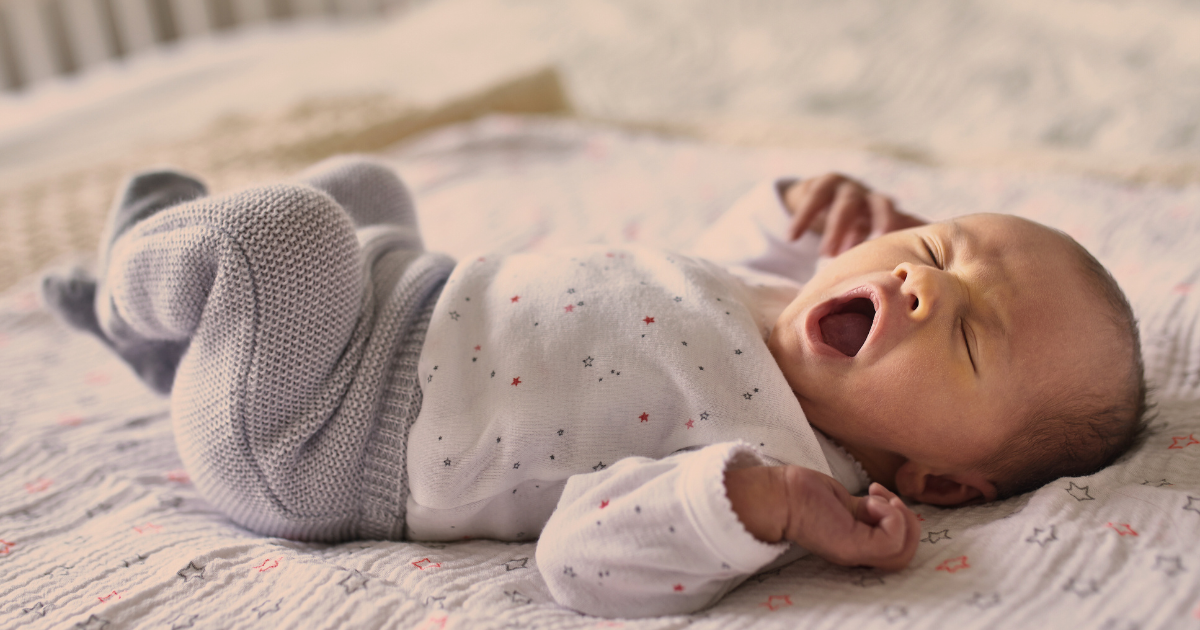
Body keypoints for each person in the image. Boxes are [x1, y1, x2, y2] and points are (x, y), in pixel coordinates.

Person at [40, 157, 1147, 618]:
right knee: (366, 187)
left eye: (969, 337)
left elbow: (583, 560)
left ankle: (137, 288)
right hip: (396, 303)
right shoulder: (774, 304)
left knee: (282, 235)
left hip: (319, 432)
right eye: (940, 249)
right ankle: (178, 348)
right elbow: (670, 280)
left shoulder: (776, 458)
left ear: (939, 480)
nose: (918, 288)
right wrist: (790, 209)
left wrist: (754, 505)